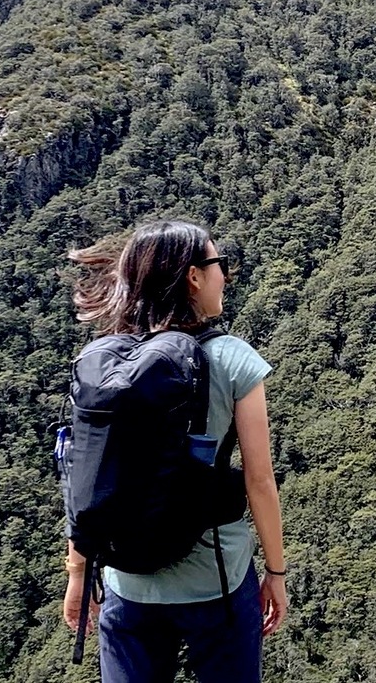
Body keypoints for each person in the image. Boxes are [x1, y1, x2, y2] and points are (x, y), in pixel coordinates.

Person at [61, 219, 288, 683]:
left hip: (127, 583)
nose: (224, 274)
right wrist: (276, 574)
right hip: (215, 581)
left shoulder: (104, 363)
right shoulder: (230, 358)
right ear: (193, 276)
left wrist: (78, 574)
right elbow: (259, 481)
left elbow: (87, 474)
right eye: (218, 263)